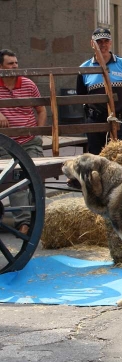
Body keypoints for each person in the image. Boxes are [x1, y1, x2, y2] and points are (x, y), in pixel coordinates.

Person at [0, 49, 46, 235]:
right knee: (15, 181)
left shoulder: (28, 84)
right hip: (6, 144)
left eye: (16, 63)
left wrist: (39, 134)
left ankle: (38, 220)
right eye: (10, 64)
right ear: (1, 67)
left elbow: (41, 110)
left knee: (37, 178)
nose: (15, 67)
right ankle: (23, 223)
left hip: (29, 141)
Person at [77, 28, 122, 155]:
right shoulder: (84, 68)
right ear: (92, 44)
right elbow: (81, 97)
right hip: (95, 122)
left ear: (111, 43)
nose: (103, 45)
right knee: (96, 159)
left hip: (119, 121)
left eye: (106, 41)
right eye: (99, 42)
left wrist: (121, 101)